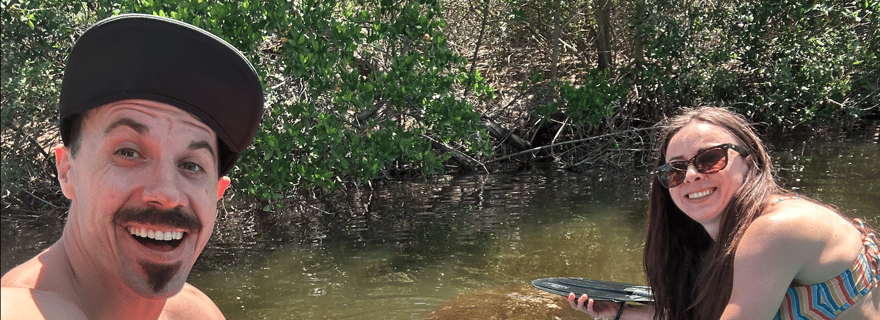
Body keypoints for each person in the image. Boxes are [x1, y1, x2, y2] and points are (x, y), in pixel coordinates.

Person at [1, 14, 264, 319]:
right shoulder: (21, 308)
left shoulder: (195, 312)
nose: (166, 193)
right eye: (128, 152)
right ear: (67, 171)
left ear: (217, 193)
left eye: (191, 166)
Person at [566, 107, 878, 319]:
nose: (690, 175)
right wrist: (620, 312)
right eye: (675, 170)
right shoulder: (730, 237)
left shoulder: (777, 230)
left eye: (711, 158)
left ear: (750, 162)